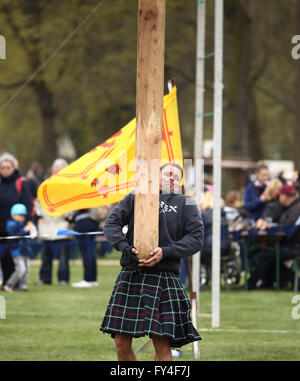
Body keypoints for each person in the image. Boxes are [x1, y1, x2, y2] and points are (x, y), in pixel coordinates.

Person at [100, 163, 204, 361]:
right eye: (167, 174)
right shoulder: (136, 196)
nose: (171, 178)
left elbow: (196, 238)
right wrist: (125, 247)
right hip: (133, 274)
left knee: (162, 344)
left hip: (164, 277)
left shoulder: (187, 203)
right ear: (157, 177)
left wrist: (166, 252)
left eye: (176, 176)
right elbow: (111, 224)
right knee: (121, 343)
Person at [247, 184, 300, 290]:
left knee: (264, 256)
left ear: (285, 196)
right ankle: (292, 280)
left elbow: (288, 227)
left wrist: (272, 227)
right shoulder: (293, 207)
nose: (278, 198)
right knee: (266, 257)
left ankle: (250, 285)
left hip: (293, 247)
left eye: (280, 196)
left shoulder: (296, 208)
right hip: (292, 245)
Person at [35, 159, 72, 286]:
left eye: (61, 168)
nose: (58, 170)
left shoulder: (69, 186)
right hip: (46, 225)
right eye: (56, 168)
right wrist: (39, 216)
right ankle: (45, 278)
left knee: (63, 257)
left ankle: (63, 279)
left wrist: (69, 216)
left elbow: (72, 203)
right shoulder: (46, 184)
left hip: (62, 225)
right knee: (45, 255)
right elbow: (38, 201)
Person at [0, 153, 33, 288]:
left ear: (14, 168)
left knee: (14, 256)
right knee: (3, 257)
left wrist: (30, 221)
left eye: (8, 167)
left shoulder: (21, 183)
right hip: (1, 227)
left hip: (16, 228)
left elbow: (29, 203)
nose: (5, 170)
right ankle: (7, 282)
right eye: (2, 167)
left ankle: (16, 283)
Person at [3, 204, 36, 292]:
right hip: (17, 251)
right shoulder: (11, 225)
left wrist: (31, 229)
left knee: (26, 270)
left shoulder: (22, 224)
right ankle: (9, 284)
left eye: (23, 215)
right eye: (20, 215)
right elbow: (16, 236)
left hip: (25, 251)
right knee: (21, 269)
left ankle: (23, 285)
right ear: (13, 215)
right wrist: (25, 230)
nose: (22, 217)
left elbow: (27, 235)